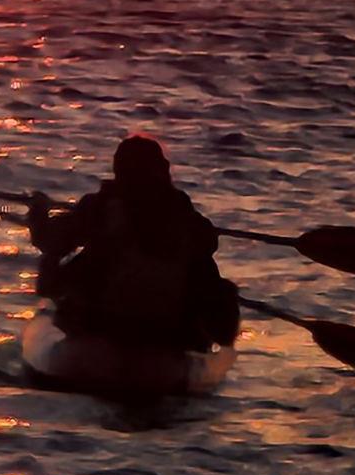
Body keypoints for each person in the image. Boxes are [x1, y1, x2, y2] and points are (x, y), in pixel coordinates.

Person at [27, 136, 239, 352]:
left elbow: (48, 239)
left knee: (55, 258)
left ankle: (70, 330)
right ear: (162, 170)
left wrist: (38, 212)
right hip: (169, 327)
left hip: (102, 320)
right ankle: (207, 347)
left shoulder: (99, 207)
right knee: (210, 275)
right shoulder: (182, 212)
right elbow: (209, 242)